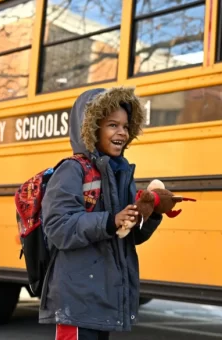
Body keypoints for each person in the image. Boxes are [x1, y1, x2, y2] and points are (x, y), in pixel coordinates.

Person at [38, 87, 168, 340]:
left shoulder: (121, 174)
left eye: (126, 126)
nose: (122, 132)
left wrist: (151, 214)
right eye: (112, 125)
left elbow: (128, 236)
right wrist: (109, 221)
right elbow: (57, 228)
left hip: (104, 297)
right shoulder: (71, 170)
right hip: (76, 301)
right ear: (91, 128)